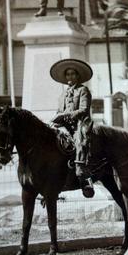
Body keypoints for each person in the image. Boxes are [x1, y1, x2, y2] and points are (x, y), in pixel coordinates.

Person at [50, 58, 95, 198]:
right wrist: (55, 118)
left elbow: (83, 109)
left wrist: (65, 115)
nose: (70, 77)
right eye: (67, 74)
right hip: (64, 126)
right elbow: (59, 111)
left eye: (72, 74)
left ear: (77, 76)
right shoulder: (63, 94)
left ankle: (84, 179)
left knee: (80, 143)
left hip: (80, 124)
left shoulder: (83, 90)